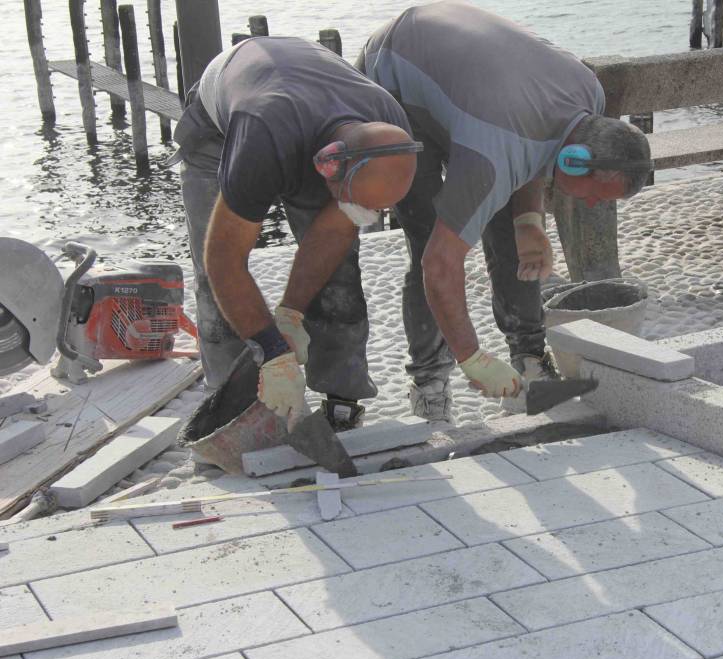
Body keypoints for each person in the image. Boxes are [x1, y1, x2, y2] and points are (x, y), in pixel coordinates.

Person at [358, 1, 652, 422]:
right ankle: (430, 382)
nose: (591, 204)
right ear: (574, 162)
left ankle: (530, 359)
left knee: (511, 233)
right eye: (596, 195)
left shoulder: (589, 93)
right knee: (428, 239)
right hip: (395, 78)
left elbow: (540, 135)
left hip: (471, 87)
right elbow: (440, 265)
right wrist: (472, 358)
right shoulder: (494, 152)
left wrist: (528, 222)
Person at [173, 36, 418, 431]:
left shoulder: (389, 126)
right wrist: (274, 353)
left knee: (340, 271)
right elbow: (224, 260)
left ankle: (342, 399)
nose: (361, 216)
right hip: (222, 132)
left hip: (311, 112)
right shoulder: (261, 135)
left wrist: (290, 312)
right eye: (356, 204)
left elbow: (332, 234)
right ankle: (231, 407)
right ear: (326, 168)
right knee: (211, 278)